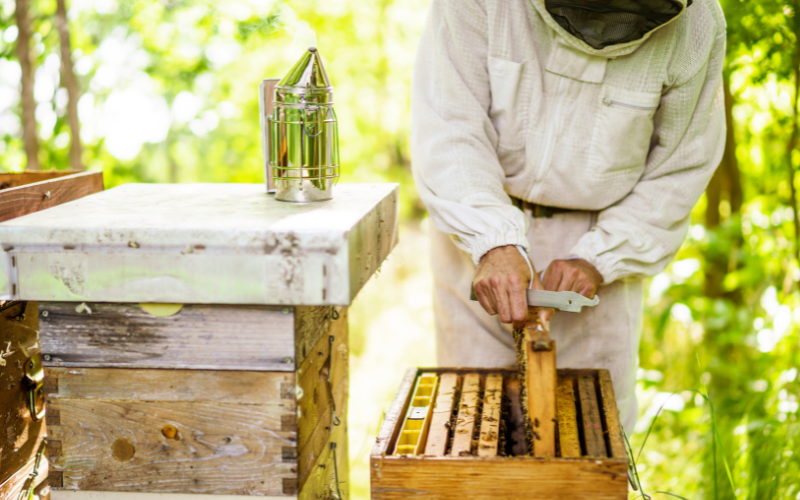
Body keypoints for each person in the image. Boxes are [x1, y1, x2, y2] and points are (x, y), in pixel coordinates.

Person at [411, 0, 726, 430]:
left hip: (601, 249)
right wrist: (492, 240)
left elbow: (681, 166)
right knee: (473, 425)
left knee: (593, 436)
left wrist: (598, 258)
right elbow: (449, 126)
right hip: (476, 240)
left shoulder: (699, 25)